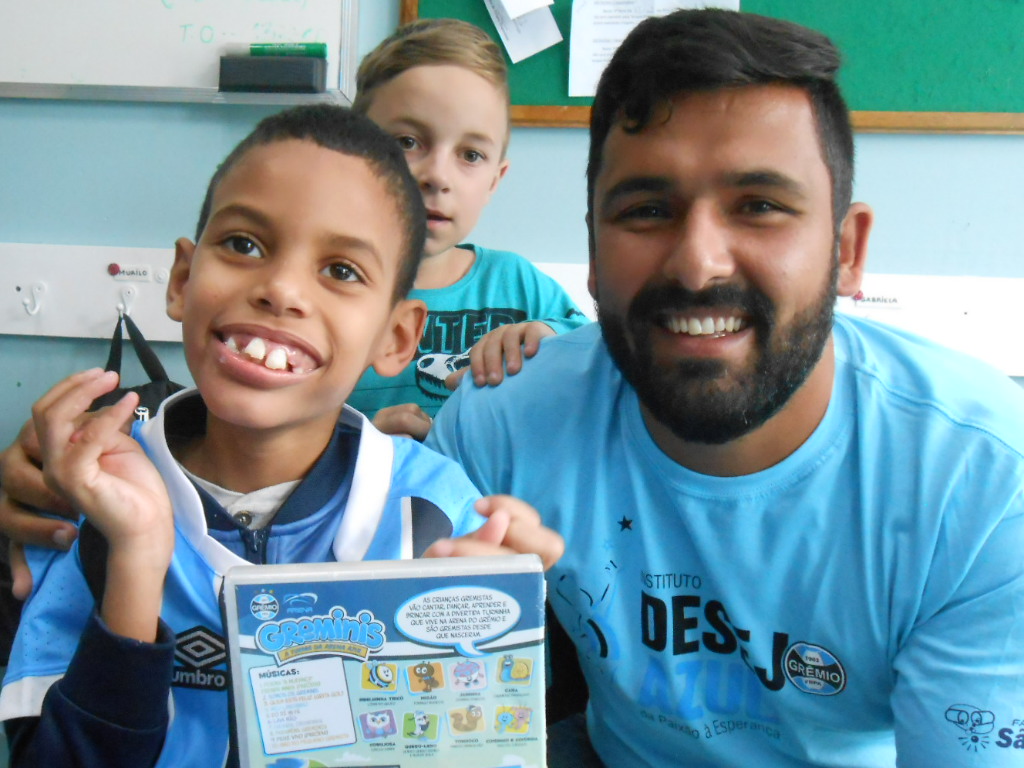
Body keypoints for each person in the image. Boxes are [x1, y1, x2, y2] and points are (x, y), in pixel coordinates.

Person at [427, 9, 1024, 767]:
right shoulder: (496, 429)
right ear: (593, 252)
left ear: (846, 250)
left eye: (760, 207)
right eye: (647, 211)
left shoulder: (983, 484)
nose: (697, 263)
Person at [0, 104, 562, 767]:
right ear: (182, 280)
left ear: (397, 336)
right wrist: (135, 561)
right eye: (244, 244)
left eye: (342, 271)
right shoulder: (87, 500)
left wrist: (498, 630)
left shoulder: (438, 513)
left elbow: (489, 744)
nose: (282, 289)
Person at [347, 18, 589, 439]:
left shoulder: (518, 284)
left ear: (495, 180)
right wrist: (359, 440)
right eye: (408, 142)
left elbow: (597, 356)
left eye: (471, 155)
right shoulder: (330, 289)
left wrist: (550, 337)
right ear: (353, 155)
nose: (438, 176)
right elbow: (281, 432)